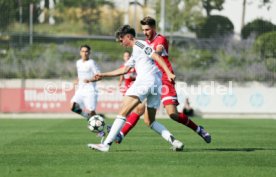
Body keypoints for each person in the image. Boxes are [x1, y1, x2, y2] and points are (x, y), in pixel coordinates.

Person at [114, 16, 211, 144]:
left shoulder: (161, 39)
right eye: (143, 30)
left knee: (173, 114)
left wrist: (154, 54)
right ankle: (120, 134)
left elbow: (158, 51)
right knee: (140, 111)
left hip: (165, 79)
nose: (145, 32)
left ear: (154, 28)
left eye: (148, 29)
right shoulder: (142, 43)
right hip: (150, 80)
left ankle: (199, 129)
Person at [88, 25, 184, 152]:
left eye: (122, 39)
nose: (121, 43)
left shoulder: (139, 44)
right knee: (150, 121)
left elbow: (156, 56)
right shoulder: (135, 52)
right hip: (156, 84)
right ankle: (174, 141)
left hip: (146, 81)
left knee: (123, 110)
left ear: (129, 36)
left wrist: (169, 73)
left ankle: (106, 144)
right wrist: (103, 75)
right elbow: (125, 69)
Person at [70, 44, 100, 120]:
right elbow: (80, 75)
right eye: (83, 51)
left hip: (90, 90)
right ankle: (87, 117)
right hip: (80, 90)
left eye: (86, 51)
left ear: (89, 53)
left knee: (92, 111)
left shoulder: (91, 62)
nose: (84, 53)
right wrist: (77, 80)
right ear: (80, 52)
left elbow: (99, 76)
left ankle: (100, 130)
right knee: (72, 107)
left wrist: (90, 80)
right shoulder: (78, 63)